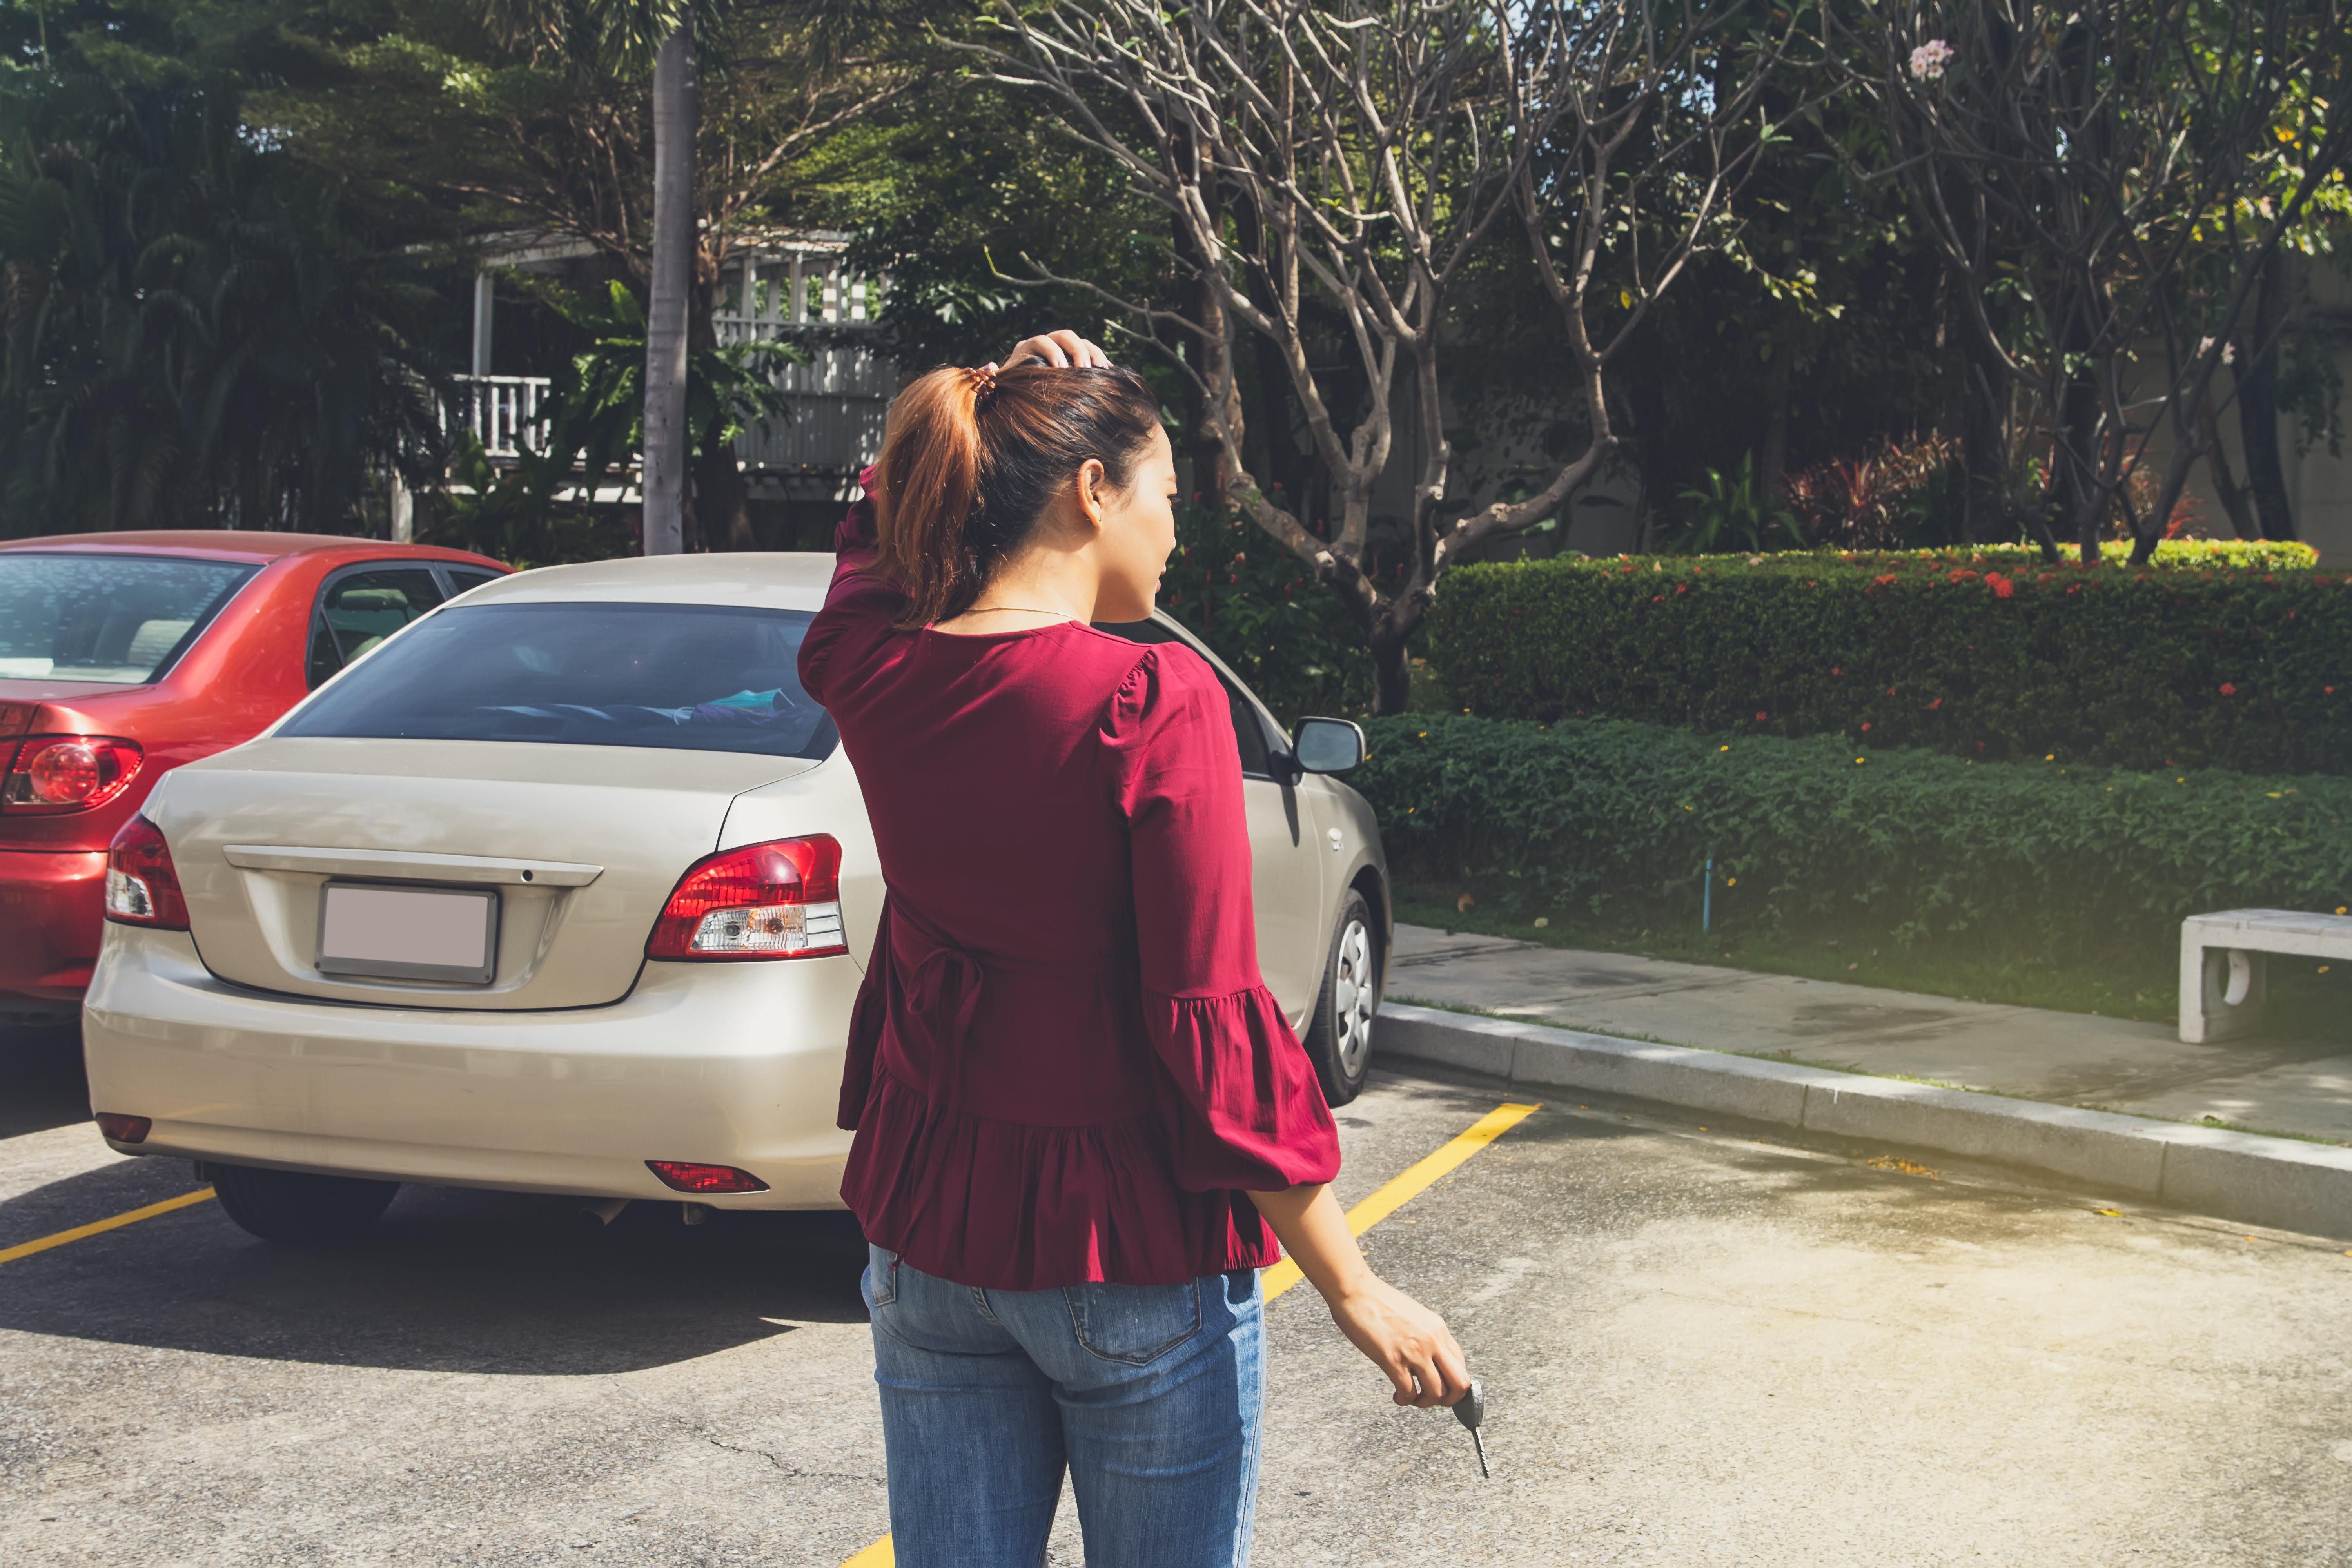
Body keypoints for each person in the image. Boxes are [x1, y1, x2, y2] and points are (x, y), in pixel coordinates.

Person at [799, 330, 1468, 1568]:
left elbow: (869, 559)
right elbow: (1204, 1024)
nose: (1176, 533)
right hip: (1131, 1257)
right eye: (1166, 494)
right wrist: (1353, 1287)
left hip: (931, 1240)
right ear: (1091, 490)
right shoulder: (1149, 700)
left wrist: (983, 404)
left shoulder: (875, 672)